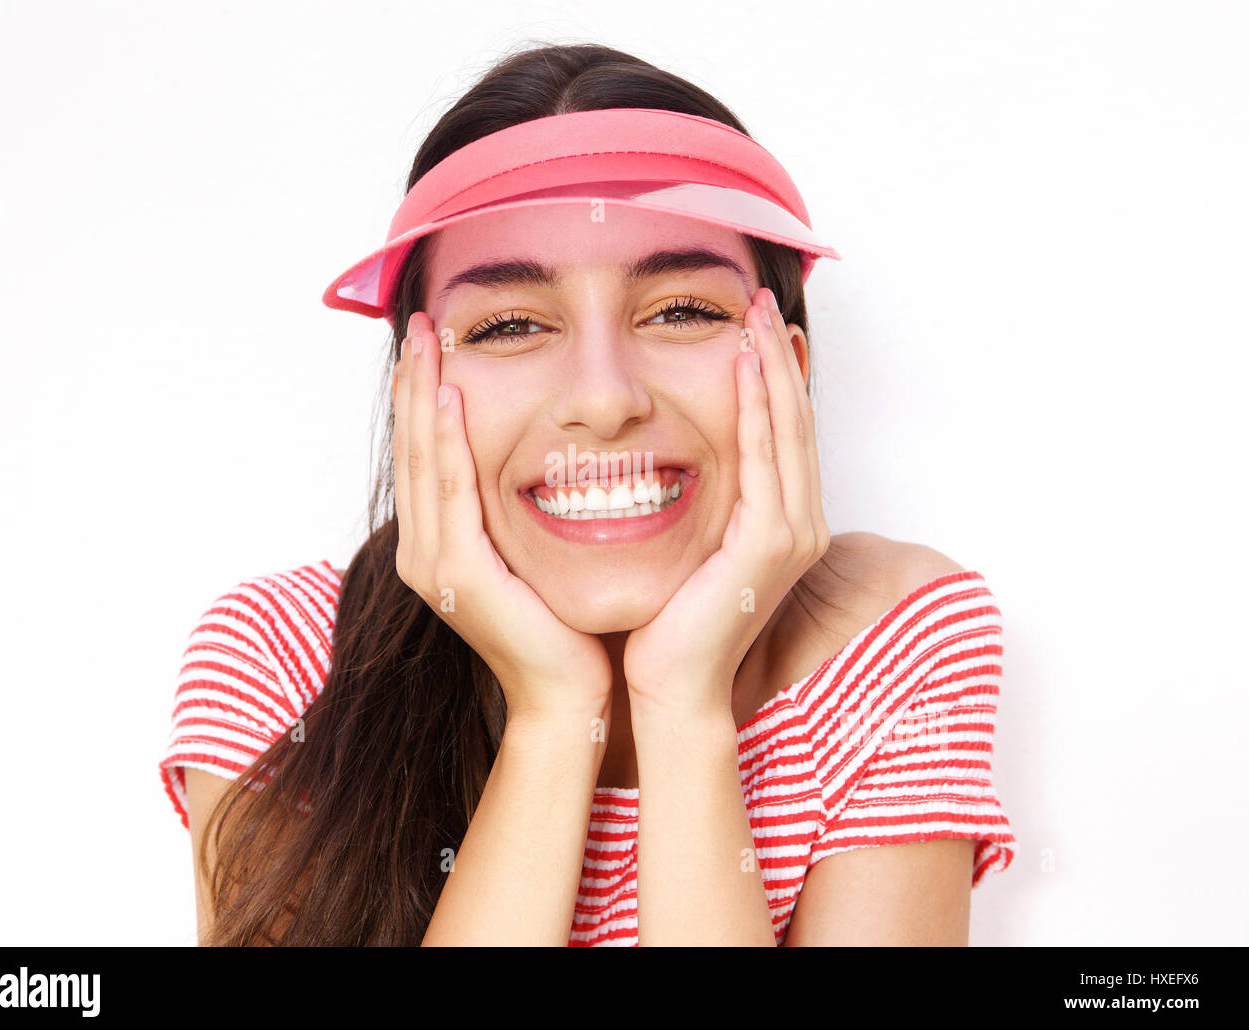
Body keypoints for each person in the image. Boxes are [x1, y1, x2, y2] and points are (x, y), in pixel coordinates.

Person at [159, 42, 1018, 947]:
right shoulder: (283, 670)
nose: (604, 399)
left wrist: (684, 704)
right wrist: (555, 714)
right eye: (511, 324)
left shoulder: (892, 646)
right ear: (412, 389)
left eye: (682, 310)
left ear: (788, 374)